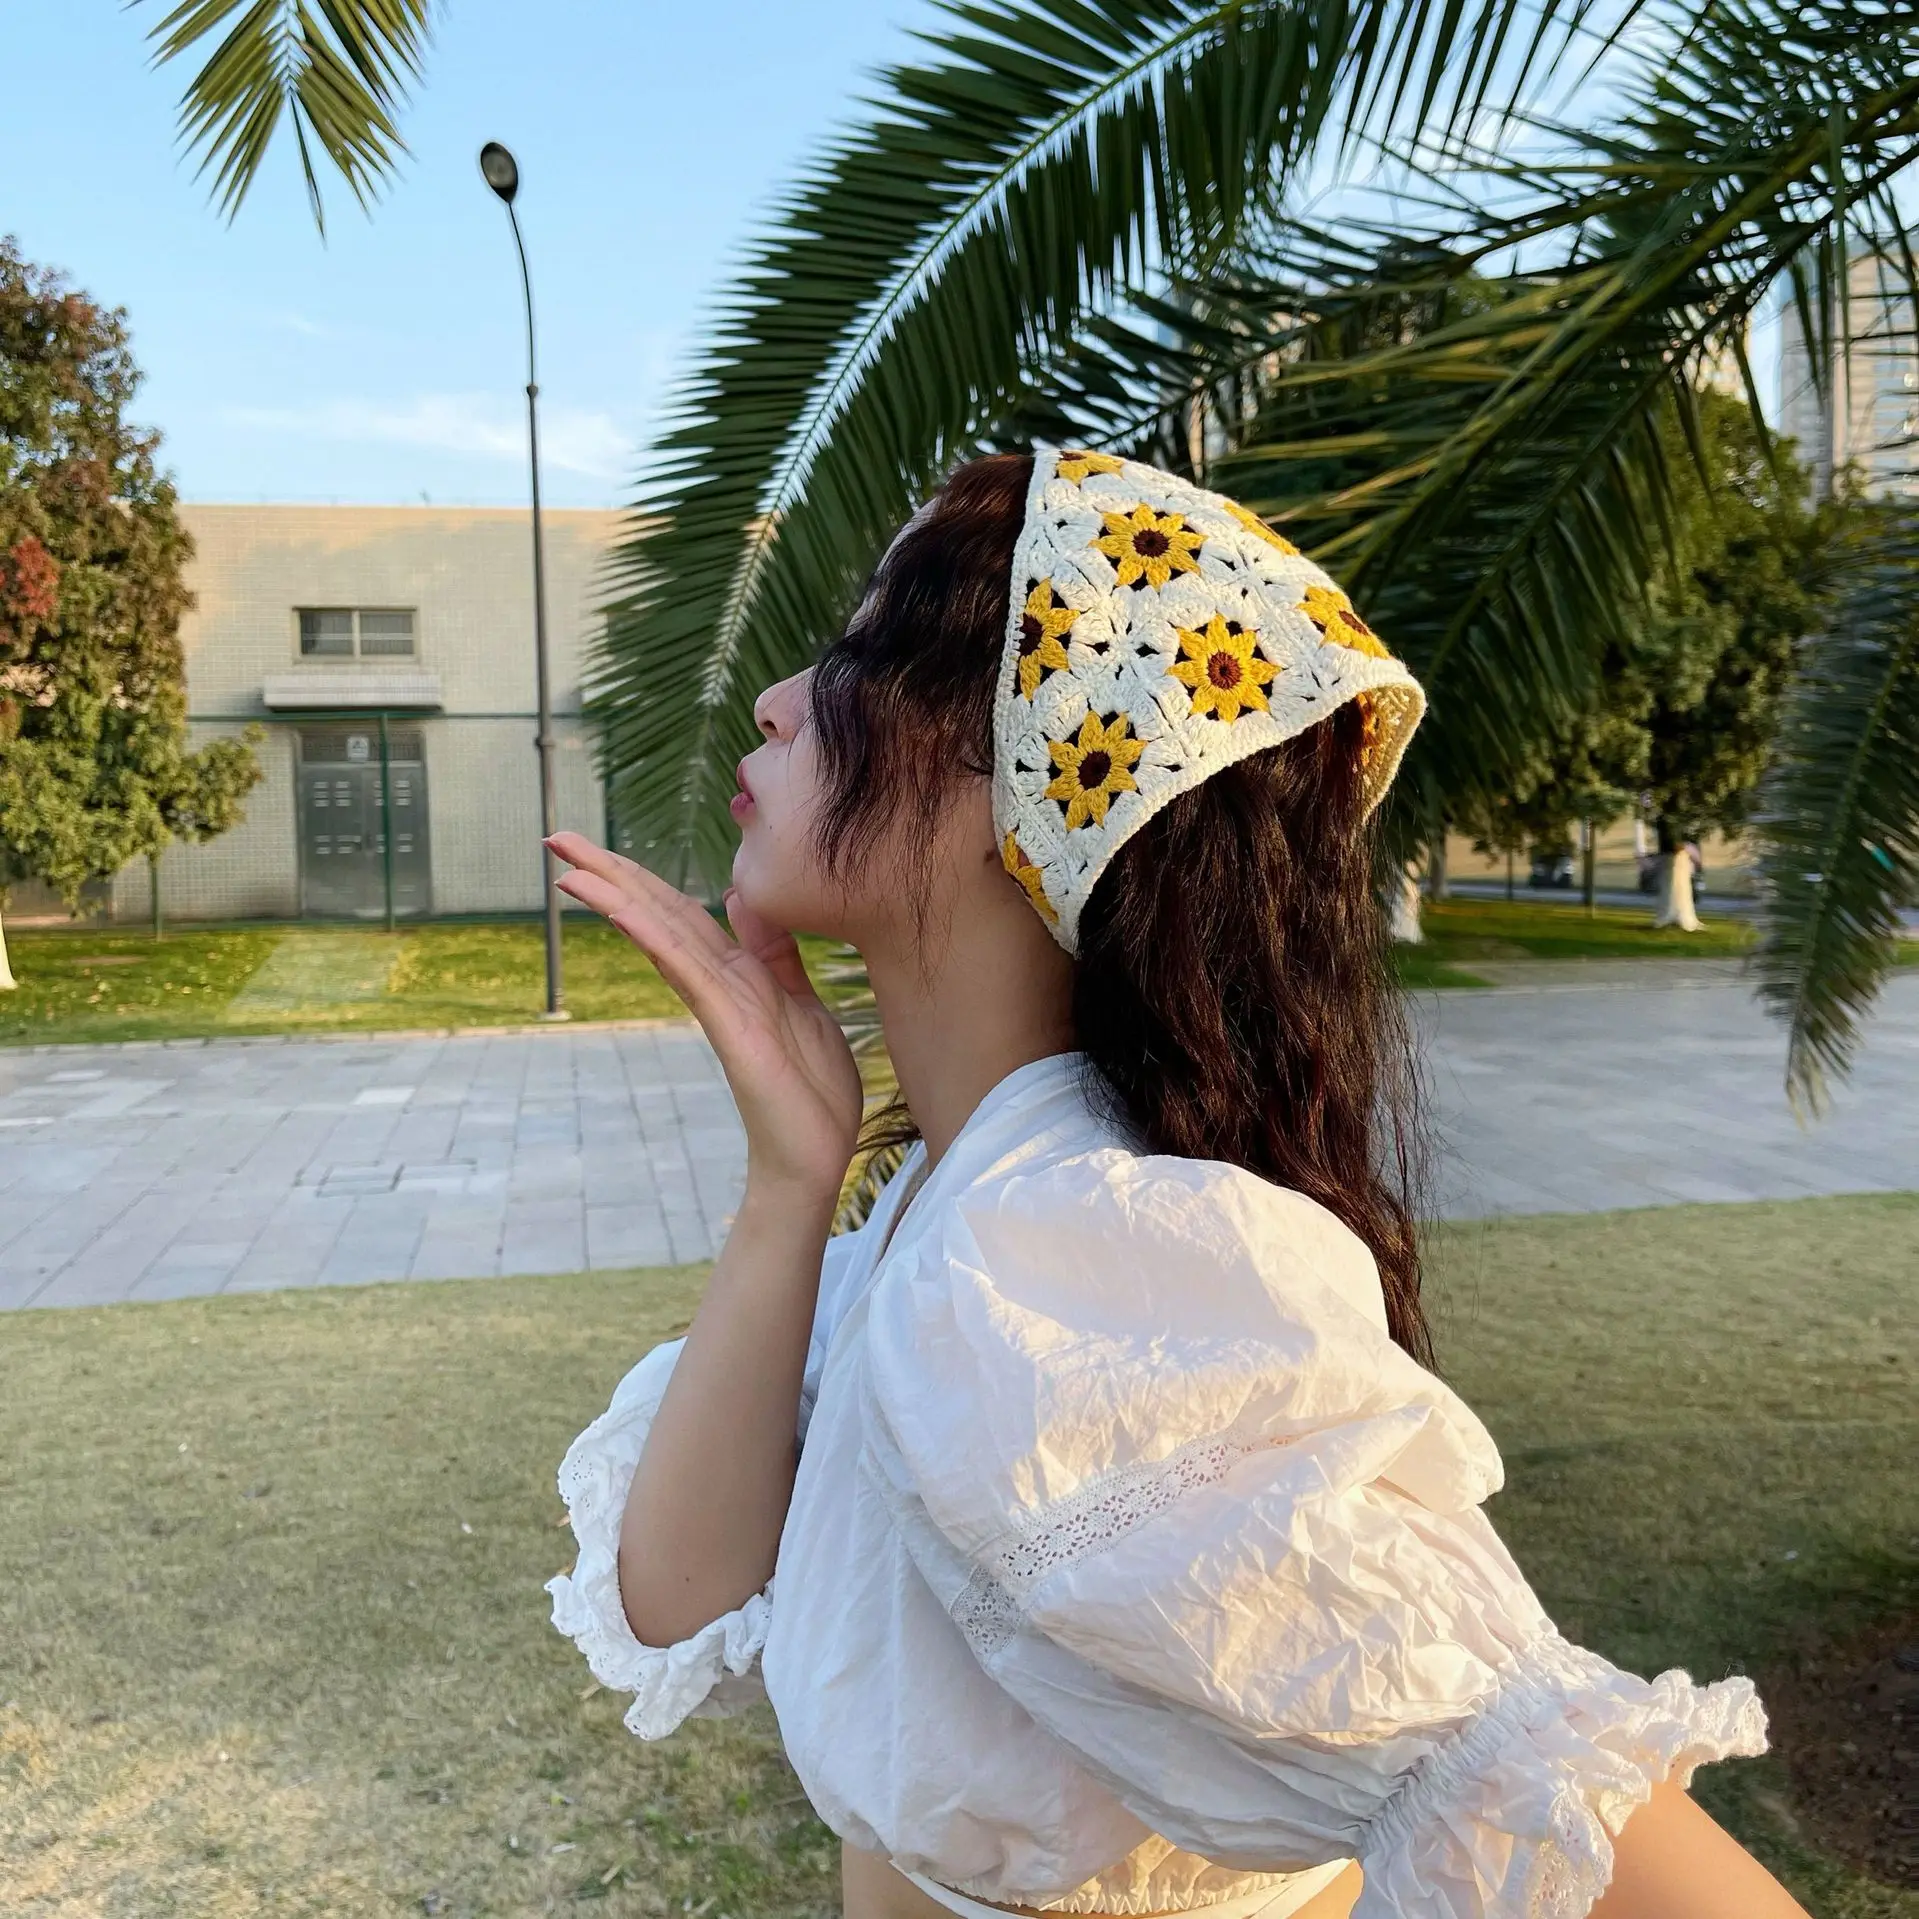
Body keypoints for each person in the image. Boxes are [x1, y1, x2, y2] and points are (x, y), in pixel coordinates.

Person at [543, 451, 1804, 1919]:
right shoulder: (964, 1217)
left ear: (1026, 763)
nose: (774, 700)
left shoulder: (1055, 1259)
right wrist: (790, 1177)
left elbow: (1562, 1816)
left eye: (864, 652)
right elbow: (679, 1592)